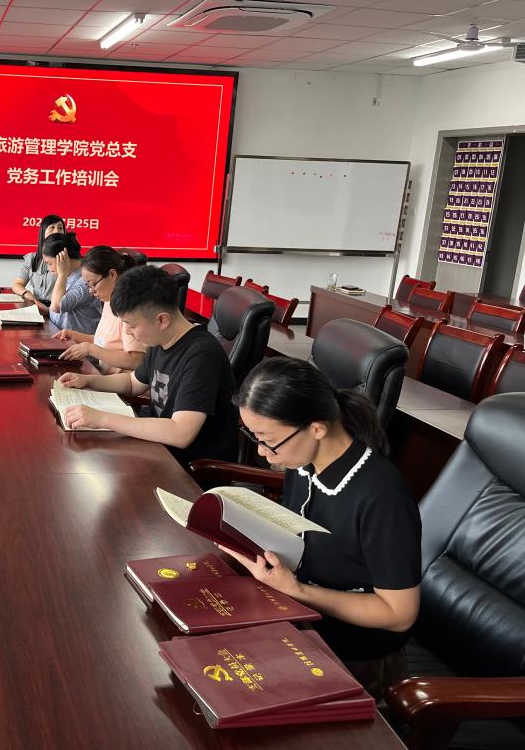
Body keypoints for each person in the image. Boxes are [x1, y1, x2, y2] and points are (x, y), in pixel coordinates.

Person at [221, 356, 421, 700]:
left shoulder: (382, 498)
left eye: (268, 440)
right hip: (297, 622)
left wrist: (297, 590)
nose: (263, 453)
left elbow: (398, 614)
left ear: (317, 428)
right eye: (254, 437)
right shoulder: (304, 462)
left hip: (355, 656)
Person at [57, 265, 237, 464]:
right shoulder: (161, 340)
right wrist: (88, 381)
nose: (127, 332)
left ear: (162, 320)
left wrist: (102, 419)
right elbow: (133, 383)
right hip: (157, 447)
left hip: (188, 467)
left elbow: (181, 432)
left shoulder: (202, 354)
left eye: (131, 325)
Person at [55, 245, 147, 373]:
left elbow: (136, 360)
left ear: (112, 274)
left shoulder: (130, 308)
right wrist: (73, 335)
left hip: (121, 383)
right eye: (88, 285)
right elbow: (104, 342)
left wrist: (90, 349)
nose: (91, 290)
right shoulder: (108, 300)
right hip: (102, 375)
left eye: (93, 284)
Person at [40, 232, 102, 335]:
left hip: (78, 342)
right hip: (59, 337)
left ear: (63, 257)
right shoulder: (68, 276)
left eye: (49, 263)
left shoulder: (86, 280)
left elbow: (57, 306)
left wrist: (62, 274)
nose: (49, 269)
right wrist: (47, 310)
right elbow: (61, 310)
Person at [12, 214, 64, 315]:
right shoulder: (32, 258)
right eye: (52, 228)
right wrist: (28, 294)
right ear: (43, 232)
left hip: (58, 311)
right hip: (37, 307)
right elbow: (17, 284)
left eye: (60, 228)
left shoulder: (68, 259)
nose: (56, 231)